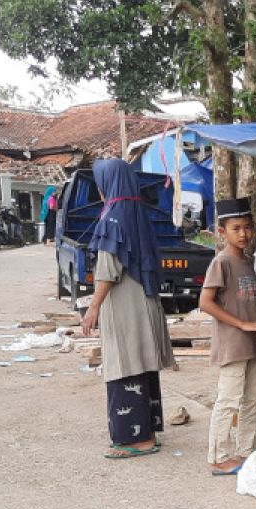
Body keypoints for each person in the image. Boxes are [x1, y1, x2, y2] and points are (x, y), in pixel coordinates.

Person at [80, 159, 175, 459]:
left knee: (125, 362)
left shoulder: (112, 218)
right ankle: (148, 430)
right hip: (145, 302)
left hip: (124, 307)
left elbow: (108, 270)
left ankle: (138, 440)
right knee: (141, 361)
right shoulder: (138, 213)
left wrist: (93, 307)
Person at [200, 197, 256, 472]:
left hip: (252, 344)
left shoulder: (247, 264)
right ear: (222, 231)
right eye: (236, 228)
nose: (243, 234)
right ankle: (219, 457)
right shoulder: (221, 263)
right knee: (229, 400)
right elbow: (205, 302)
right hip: (232, 344)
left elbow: (250, 302)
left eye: (247, 227)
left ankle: (244, 453)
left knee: (252, 400)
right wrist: (242, 325)